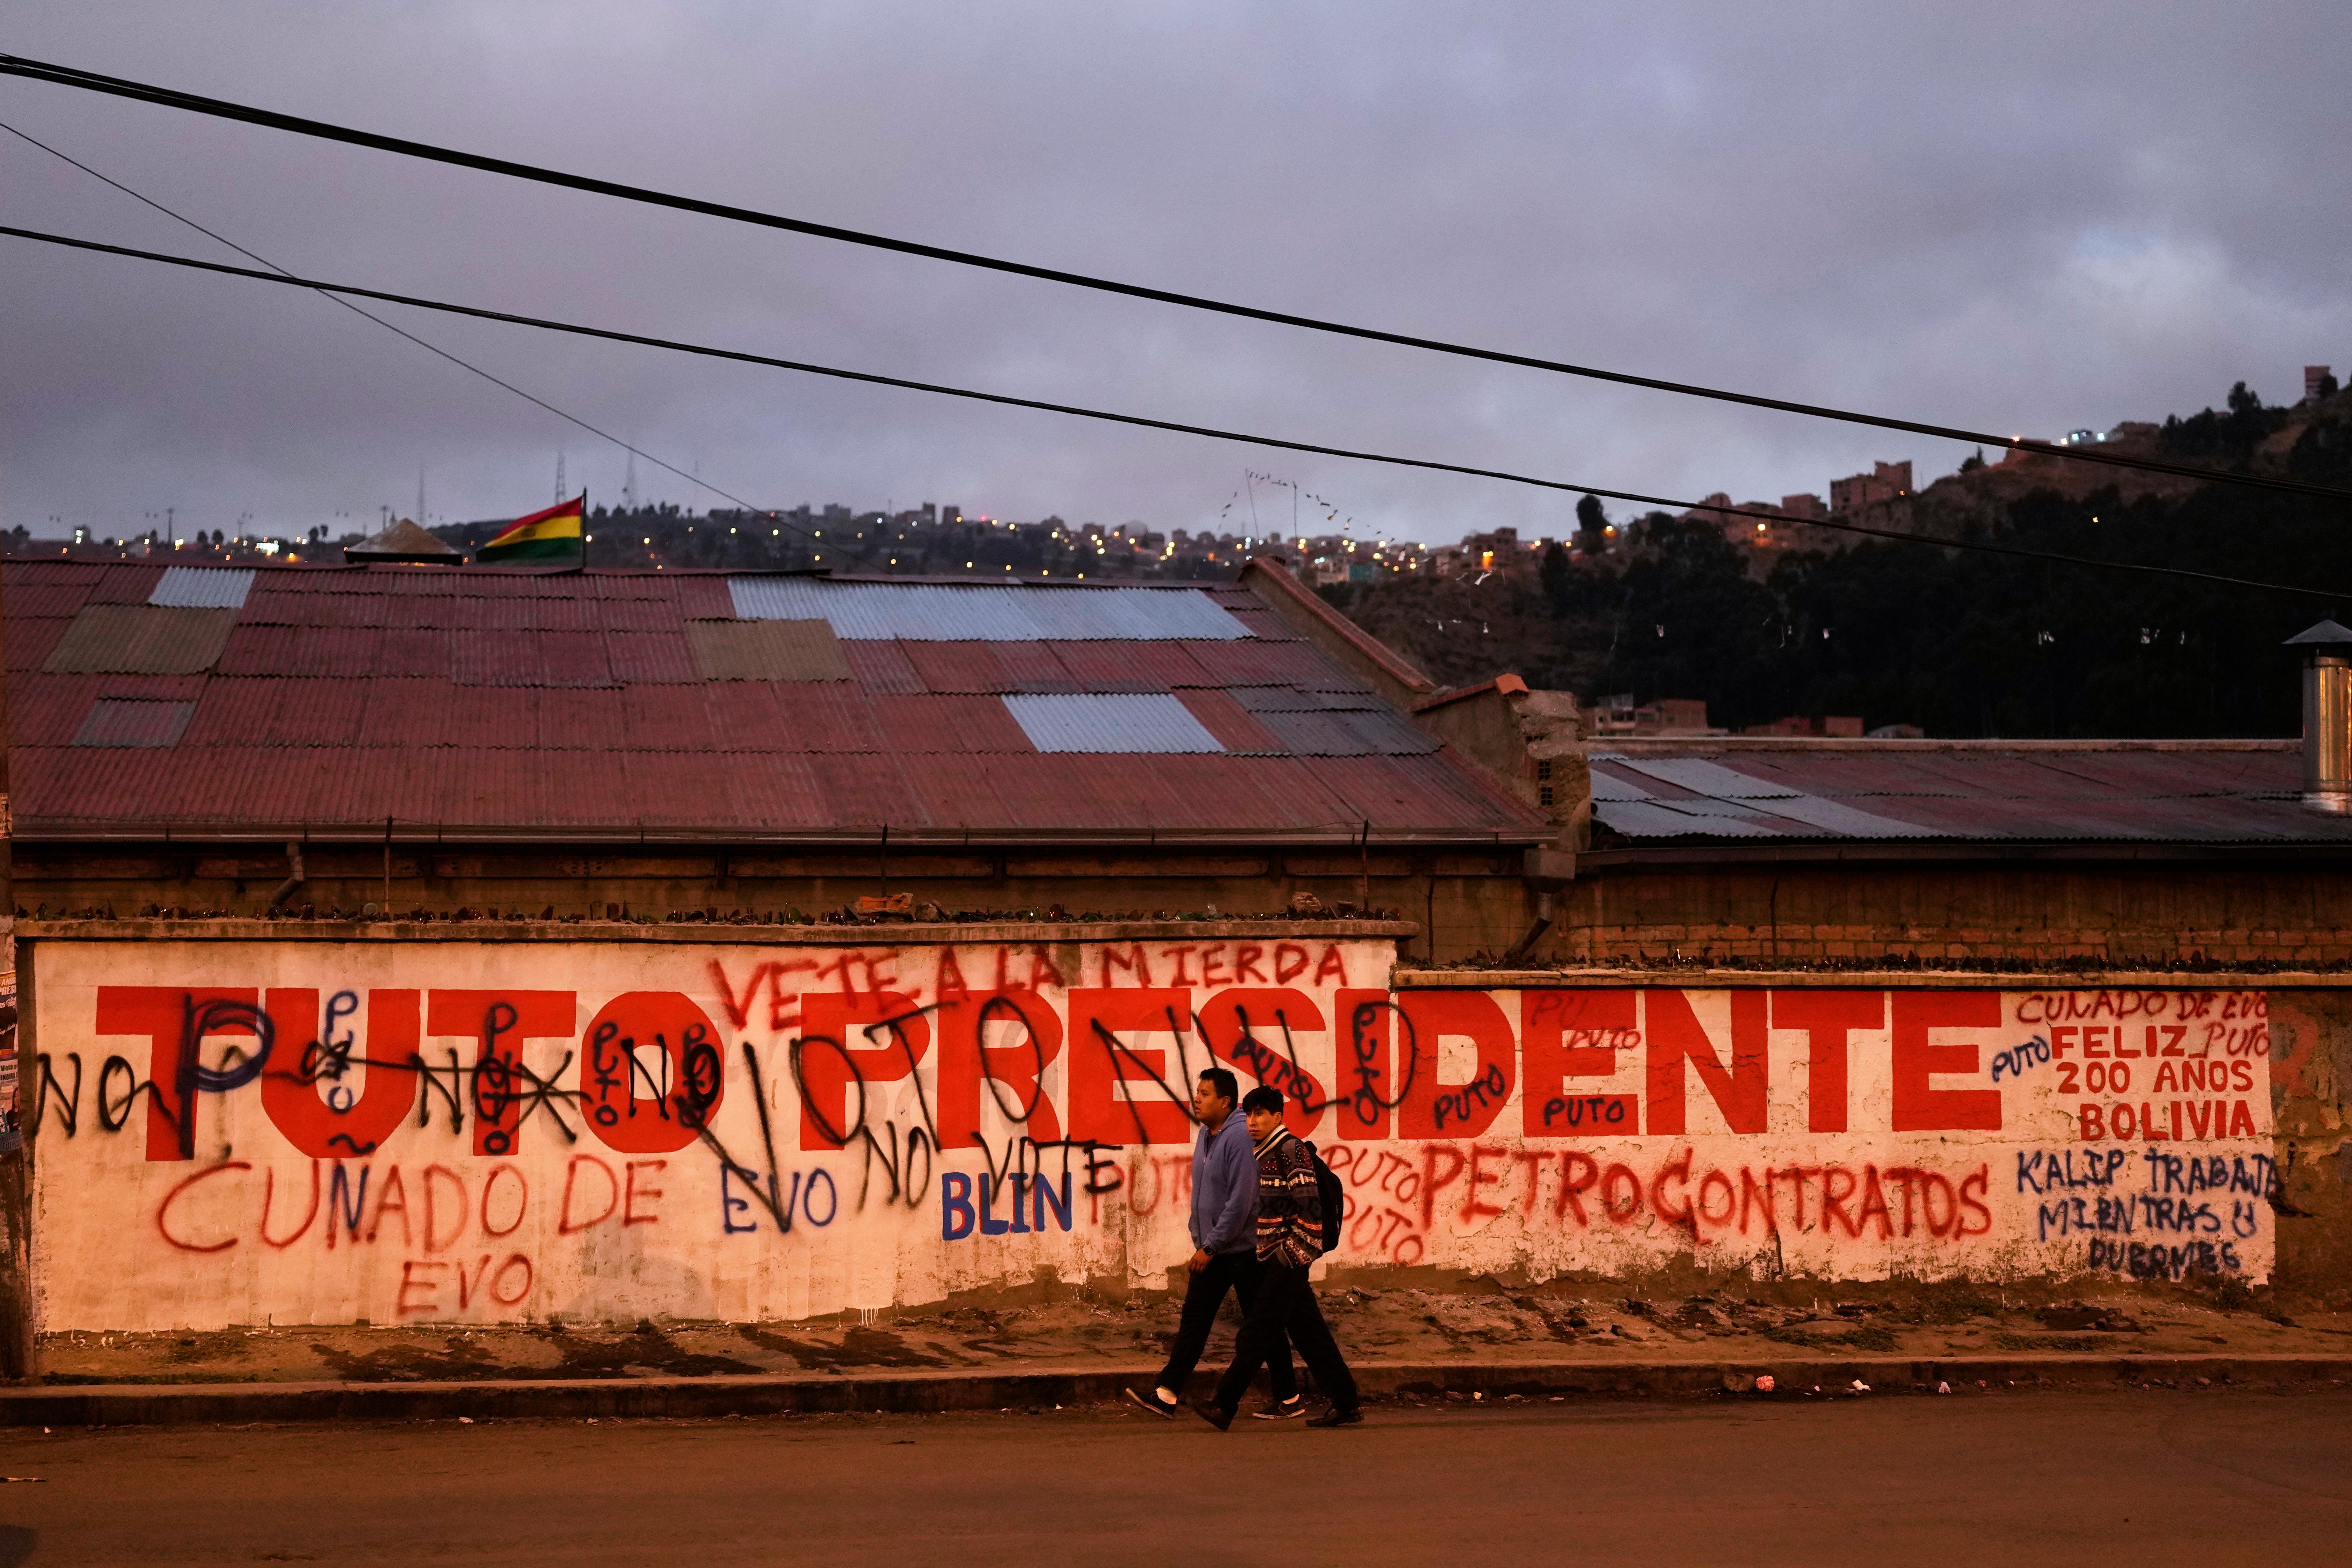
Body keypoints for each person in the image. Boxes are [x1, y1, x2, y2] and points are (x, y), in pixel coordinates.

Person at [1123, 1069, 1306, 1420]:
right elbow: (1206, 1193)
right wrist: (1202, 1236)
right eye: (1197, 1092)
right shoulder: (1208, 1134)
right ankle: (1166, 1394)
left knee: (1260, 1326)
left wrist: (1211, 1246)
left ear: (1225, 1102)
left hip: (1243, 1251)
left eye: (1205, 1094)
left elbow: (1241, 1201)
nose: (1196, 1099)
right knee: (1196, 1321)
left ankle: (1289, 1396)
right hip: (1217, 1248)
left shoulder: (1238, 1137)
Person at [1195, 1087, 1362, 1430]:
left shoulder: (1289, 1151)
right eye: (1249, 1114)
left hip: (1288, 1260)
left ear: (1277, 1117)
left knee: (1256, 1333)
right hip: (1279, 1258)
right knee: (1311, 1336)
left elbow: (1310, 1212)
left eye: (1260, 1114)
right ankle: (1347, 1404)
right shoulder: (1265, 1152)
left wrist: (1288, 1258)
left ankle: (1224, 1405)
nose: (1252, 1122)